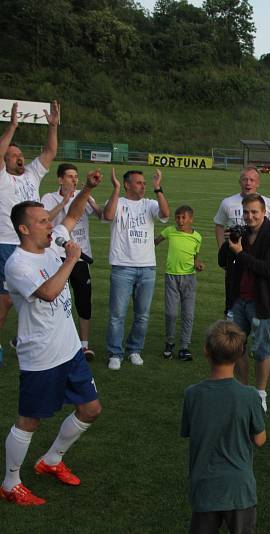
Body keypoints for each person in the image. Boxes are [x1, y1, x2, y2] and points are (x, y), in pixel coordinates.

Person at [1, 170, 103, 506]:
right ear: (24, 229)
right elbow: (47, 292)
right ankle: (10, 482)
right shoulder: (18, 264)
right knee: (28, 420)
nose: (51, 225)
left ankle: (51, 460)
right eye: (43, 221)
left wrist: (87, 188)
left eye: (49, 220)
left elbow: (72, 214)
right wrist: (71, 259)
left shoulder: (50, 243)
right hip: (41, 356)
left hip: (70, 350)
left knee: (90, 409)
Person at [181, 320, 266, 534]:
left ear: (206, 351)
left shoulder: (193, 394)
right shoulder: (249, 397)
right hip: (239, 489)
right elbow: (259, 439)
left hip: (205, 486)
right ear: (239, 355)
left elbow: (190, 431)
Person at [0, 101, 60, 364]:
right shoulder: (2, 177)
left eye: (20, 153)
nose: (19, 156)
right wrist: (12, 127)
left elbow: (50, 151)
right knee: (5, 303)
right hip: (6, 243)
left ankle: (31, 340)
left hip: (33, 245)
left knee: (40, 297)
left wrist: (53, 127)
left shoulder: (32, 175)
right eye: (13, 154)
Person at [218, 194, 270, 414]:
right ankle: (242, 390)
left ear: (264, 212)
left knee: (261, 349)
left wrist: (241, 253)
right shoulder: (242, 233)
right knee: (236, 348)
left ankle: (260, 393)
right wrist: (229, 244)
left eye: (254, 212)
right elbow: (223, 262)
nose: (250, 216)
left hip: (262, 302)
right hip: (238, 300)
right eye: (246, 212)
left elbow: (269, 270)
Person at [103, 168, 170, 370]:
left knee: (142, 315)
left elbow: (165, 214)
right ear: (127, 185)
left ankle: (134, 350)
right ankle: (115, 353)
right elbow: (108, 215)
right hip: (122, 266)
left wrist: (158, 188)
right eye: (139, 182)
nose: (143, 186)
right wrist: (115, 189)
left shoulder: (149, 203)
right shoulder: (118, 202)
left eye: (144, 183)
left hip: (147, 267)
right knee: (117, 314)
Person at [41, 163, 103, 360]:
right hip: (56, 255)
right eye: (69, 176)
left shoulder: (84, 196)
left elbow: (103, 216)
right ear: (60, 179)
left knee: (83, 299)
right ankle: (47, 338)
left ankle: (84, 346)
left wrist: (90, 201)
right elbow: (44, 221)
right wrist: (63, 202)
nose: (74, 180)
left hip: (79, 255)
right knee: (54, 300)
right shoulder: (48, 198)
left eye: (76, 176)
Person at [213, 167, 270, 317]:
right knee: (234, 331)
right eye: (245, 179)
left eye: (252, 180)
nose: (248, 183)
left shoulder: (268, 205)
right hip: (236, 272)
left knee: (259, 338)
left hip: (260, 287)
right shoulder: (228, 203)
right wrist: (225, 247)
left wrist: (240, 253)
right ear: (239, 181)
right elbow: (219, 226)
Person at [155, 205, 204, 362]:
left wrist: (198, 263)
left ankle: (184, 347)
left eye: (184, 217)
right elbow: (155, 242)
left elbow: (196, 255)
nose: (180, 220)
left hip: (189, 278)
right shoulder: (170, 231)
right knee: (171, 313)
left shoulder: (197, 237)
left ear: (191, 219)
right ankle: (169, 343)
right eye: (177, 217)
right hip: (172, 278)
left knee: (188, 314)